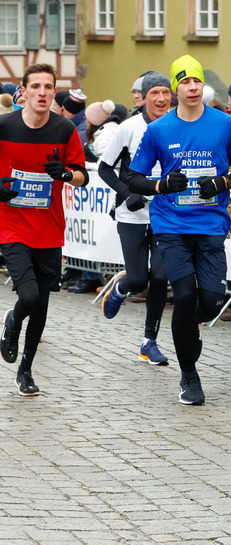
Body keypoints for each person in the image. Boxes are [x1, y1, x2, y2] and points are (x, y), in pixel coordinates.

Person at [127, 55, 231, 405]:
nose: (192, 88)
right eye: (184, 82)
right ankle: (189, 376)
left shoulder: (224, 124)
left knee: (209, 303)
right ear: (174, 89)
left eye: (196, 81)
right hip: (172, 226)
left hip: (211, 224)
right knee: (183, 296)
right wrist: (162, 185)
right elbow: (132, 177)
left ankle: (183, 329)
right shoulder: (158, 130)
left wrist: (222, 181)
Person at [0, 63, 89, 396]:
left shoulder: (64, 129)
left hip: (50, 228)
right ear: (22, 92)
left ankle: (25, 370)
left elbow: (82, 175)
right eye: (34, 86)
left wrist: (64, 174)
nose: (41, 92)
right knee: (29, 296)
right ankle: (12, 321)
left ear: (54, 92)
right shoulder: (4, 126)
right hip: (11, 225)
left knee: (42, 304)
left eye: (47, 87)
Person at [98, 72, 174, 366]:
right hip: (131, 215)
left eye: (165, 93)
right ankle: (121, 285)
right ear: (143, 97)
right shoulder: (129, 128)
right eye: (154, 93)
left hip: (166, 215)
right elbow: (105, 169)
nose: (161, 99)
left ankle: (149, 342)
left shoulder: (176, 126)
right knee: (139, 277)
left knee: (160, 277)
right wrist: (127, 193)